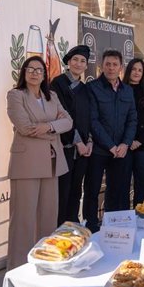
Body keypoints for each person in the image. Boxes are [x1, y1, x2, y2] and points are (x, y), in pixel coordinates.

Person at [6, 56, 72, 270]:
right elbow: (25, 127)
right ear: (24, 72)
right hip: (26, 164)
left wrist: (47, 127)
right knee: (23, 219)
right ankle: (18, 266)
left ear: (45, 75)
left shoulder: (51, 96)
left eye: (39, 70)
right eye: (30, 69)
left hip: (51, 162)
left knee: (48, 216)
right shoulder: (15, 95)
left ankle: (44, 261)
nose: (35, 73)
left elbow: (68, 122)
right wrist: (53, 129)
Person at [84, 49, 137, 232]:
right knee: (92, 189)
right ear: (101, 66)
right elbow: (93, 121)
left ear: (121, 68)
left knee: (119, 190)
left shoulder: (127, 91)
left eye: (115, 64)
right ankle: (91, 227)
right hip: (99, 150)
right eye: (108, 64)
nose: (111, 68)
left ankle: (116, 228)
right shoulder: (93, 88)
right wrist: (111, 146)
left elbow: (132, 119)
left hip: (122, 150)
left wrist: (125, 144)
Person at [50, 45, 92, 225]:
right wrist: (78, 142)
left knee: (76, 191)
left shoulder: (85, 89)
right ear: (68, 62)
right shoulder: (57, 84)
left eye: (82, 61)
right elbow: (61, 115)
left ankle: (73, 228)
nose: (78, 64)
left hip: (83, 150)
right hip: (65, 147)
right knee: (62, 191)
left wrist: (89, 140)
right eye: (75, 59)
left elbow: (88, 117)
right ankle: (59, 231)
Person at [123, 58, 144, 207]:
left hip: (143, 145)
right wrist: (128, 141)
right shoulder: (121, 89)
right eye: (134, 69)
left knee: (142, 184)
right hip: (124, 144)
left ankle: (141, 215)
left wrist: (140, 141)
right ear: (128, 70)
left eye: (140, 70)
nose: (136, 72)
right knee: (122, 183)